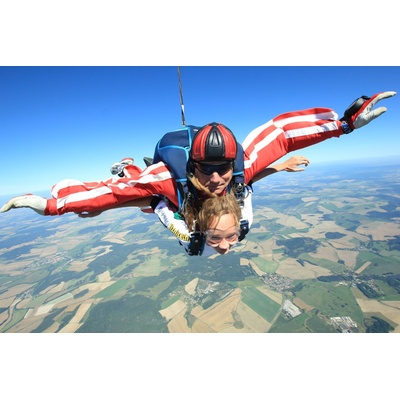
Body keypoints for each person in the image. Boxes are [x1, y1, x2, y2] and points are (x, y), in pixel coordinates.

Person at [1, 91, 396, 254]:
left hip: (185, 206)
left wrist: (344, 123)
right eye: (207, 171)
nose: (217, 179)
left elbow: (279, 135)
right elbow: (109, 194)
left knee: (156, 205)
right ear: (193, 166)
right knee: (141, 193)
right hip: (165, 195)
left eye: (223, 170)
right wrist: (52, 205)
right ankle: (127, 164)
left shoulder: (239, 173)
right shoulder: (168, 184)